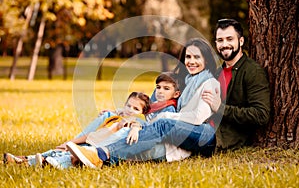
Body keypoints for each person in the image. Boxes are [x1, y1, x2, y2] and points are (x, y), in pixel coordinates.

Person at [66, 37, 221, 168]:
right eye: (188, 57)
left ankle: (102, 153)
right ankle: (78, 153)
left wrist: (165, 116)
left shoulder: (209, 83)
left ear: (206, 60)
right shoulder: (185, 81)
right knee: (138, 131)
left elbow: (197, 118)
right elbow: (153, 107)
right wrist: (123, 111)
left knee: (161, 124)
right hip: (180, 130)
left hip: (204, 135)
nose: (191, 61)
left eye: (197, 57)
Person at [3, 91, 151, 168]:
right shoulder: (118, 116)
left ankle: (41, 162)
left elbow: (136, 123)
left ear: (142, 112)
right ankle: (23, 159)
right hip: (91, 142)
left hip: (97, 150)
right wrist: (112, 111)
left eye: (136, 108)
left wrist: (135, 129)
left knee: (66, 155)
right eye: (128, 106)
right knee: (60, 150)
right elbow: (120, 112)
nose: (130, 110)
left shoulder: (135, 121)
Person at [202, 18, 270, 150]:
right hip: (204, 127)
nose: (224, 44)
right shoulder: (217, 73)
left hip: (220, 138)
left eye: (229, 39)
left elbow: (261, 115)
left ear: (241, 41)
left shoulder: (252, 71)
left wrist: (220, 108)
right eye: (220, 40)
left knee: (166, 126)